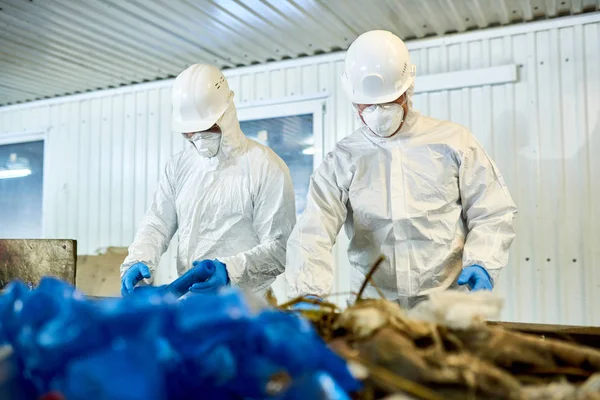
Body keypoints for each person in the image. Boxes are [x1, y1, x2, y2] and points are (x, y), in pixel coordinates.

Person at [285, 30, 517, 308]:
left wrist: (483, 261)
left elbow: (492, 209)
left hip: (447, 300)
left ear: (408, 91)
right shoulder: (343, 159)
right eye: (368, 105)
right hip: (375, 305)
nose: (378, 112)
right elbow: (314, 228)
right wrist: (308, 289)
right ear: (354, 102)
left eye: (388, 102)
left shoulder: (454, 142)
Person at [121, 64, 296, 297]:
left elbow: (279, 248)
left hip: (247, 307)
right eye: (189, 132)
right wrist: (138, 258)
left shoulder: (266, 167)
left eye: (207, 129)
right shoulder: (179, 166)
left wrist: (230, 271)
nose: (198, 139)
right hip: (190, 303)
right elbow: (158, 223)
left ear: (227, 115)